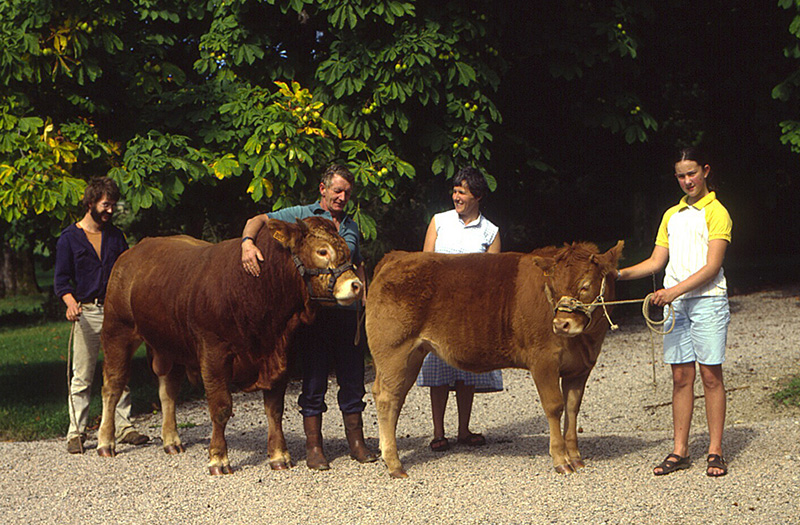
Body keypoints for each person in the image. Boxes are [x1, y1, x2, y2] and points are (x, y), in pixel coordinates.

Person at [240, 164, 377, 470]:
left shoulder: (352, 226)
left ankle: (357, 443)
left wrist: (365, 294)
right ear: (323, 189)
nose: (341, 197)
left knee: (353, 380)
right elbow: (258, 219)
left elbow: (357, 263)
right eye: (337, 190)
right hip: (317, 314)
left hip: (349, 314)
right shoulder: (301, 215)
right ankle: (314, 447)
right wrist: (247, 244)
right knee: (314, 381)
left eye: (346, 193)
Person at [617, 147, 731, 477]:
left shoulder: (717, 212)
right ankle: (679, 450)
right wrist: (617, 274)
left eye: (692, 173)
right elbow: (656, 262)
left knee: (711, 375)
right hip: (676, 304)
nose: (686, 180)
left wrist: (672, 292)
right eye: (681, 175)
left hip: (707, 300)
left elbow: (712, 267)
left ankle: (715, 450)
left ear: (705, 171)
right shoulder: (672, 215)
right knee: (681, 377)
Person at [54, 176, 150, 454]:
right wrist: (71, 303)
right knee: (82, 375)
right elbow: (61, 281)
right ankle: (76, 432)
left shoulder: (116, 236)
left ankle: (124, 427)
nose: (110, 210)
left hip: (116, 313)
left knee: (119, 370)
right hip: (86, 311)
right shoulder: (68, 239)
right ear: (91, 203)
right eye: (106, 205)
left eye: (113, 205)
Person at [416, 166, 502, 452]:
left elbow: (493, 276)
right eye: (454, 191)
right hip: (439, 308)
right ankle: (439, 432)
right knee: (438, 370)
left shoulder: (490, 231)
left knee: (467, 372)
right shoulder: (439, 221)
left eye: (462, 192)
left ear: (476, 196)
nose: (456, 196)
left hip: (471, 311)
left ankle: (463, 430)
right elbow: (425, 263)